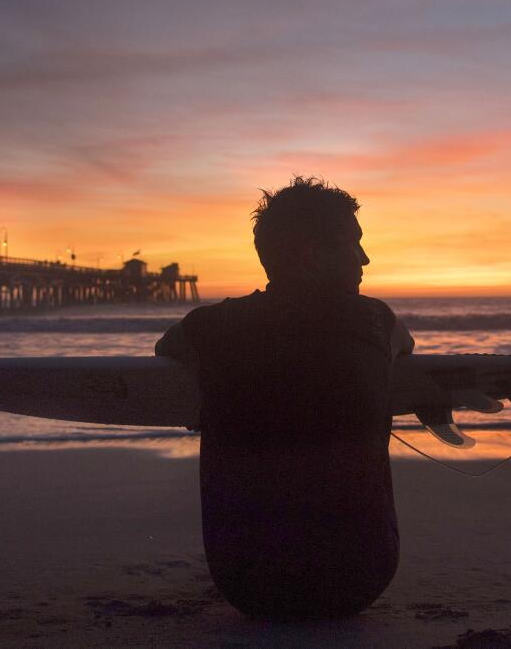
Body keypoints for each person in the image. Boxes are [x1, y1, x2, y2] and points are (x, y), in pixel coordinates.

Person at [156, 177, 414, 620]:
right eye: (353, 243)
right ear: (314, 253)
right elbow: (402, 351)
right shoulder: (375, 320)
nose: (365, 258)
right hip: (359, 579)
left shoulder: (206, 328)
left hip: (246, 583)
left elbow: (167, 349)